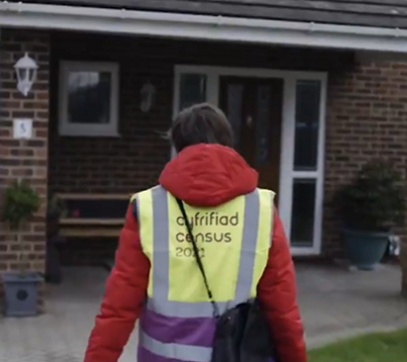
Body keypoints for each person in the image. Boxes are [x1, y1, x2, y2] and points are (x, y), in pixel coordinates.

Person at [83, 103, 306, 362]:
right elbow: (283, 310)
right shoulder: (261, 208)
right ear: (227, 142)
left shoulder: (147, 208)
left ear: (178, 146)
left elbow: (117, 309)